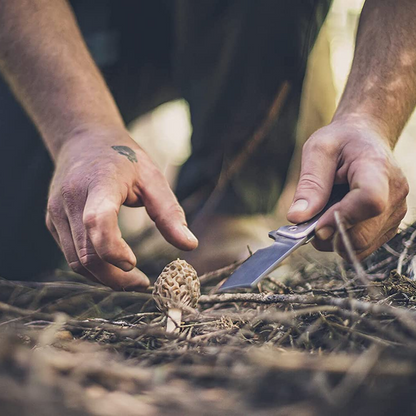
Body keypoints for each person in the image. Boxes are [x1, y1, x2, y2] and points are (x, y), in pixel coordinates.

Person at [0, 0, 412, 290]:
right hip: (60, 29)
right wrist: (80, 131)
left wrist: (371, 118)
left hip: (234, 22)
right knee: (14, 250)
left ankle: (227, 204)